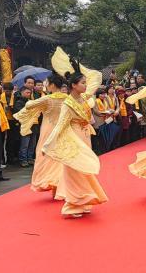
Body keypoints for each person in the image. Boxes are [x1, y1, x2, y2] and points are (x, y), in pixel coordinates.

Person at [43, 48, 107, 218]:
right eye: (82, 83)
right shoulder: (68, 104)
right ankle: (72, 204)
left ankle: (84, 200)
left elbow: (97, 76)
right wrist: (48, 144)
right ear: (73, 85)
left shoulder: (84, 98)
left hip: (85, 136)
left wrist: (77, 69)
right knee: (73, 170)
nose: (86, 85)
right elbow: (60, 125)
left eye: (85, 83)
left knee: (84, 170)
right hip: (73, 138)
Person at [13, 73, 68, 196]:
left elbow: (29, 105)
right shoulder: (67, 98)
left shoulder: (47, 98)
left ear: (52, 85)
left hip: (48, 130)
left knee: (48, 156)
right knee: (62, 157)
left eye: (46, 83)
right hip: (64, 129)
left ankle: (54, 185)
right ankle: (61, 187)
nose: (45, 85)